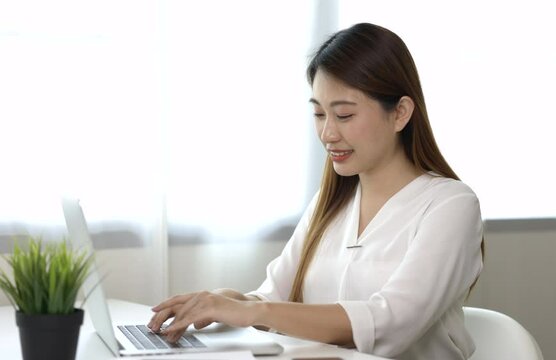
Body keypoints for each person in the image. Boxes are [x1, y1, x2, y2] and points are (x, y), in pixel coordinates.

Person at [148, 22, 484, 360]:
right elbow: (274, 297)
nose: (327, 133)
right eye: (319, 113)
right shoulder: (333, 202)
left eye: (344, 115)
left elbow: (390, 321)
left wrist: (252, 313)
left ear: (400, 113)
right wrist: (222, 302)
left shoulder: (451, 205)